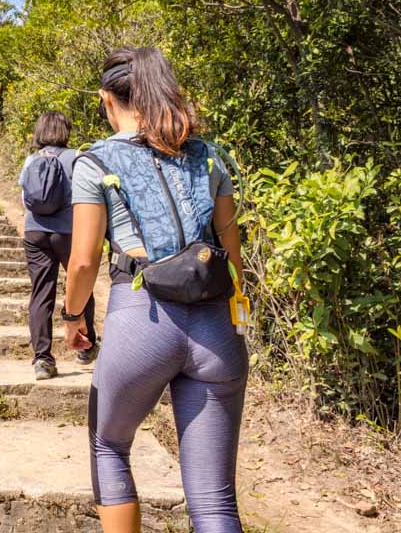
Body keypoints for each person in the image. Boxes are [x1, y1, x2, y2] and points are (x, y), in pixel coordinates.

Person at [61, 47, 248, 533]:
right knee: (214, 503)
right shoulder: (210, 157)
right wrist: (235, 317)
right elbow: (232, 253)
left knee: (109, 446)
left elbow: (83, 261)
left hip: (141, 321)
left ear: (107, 99)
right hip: (217, 329)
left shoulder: (95, 161)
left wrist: (72, 317)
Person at [18, 110, 98, 380]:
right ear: (65, 131)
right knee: (82, 285)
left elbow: (24, 198)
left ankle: (42, 360)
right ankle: (86, 347)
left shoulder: (31, 160)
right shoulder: (76, 157)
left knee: (41, 294)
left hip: (35, 232)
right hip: (68, 231)